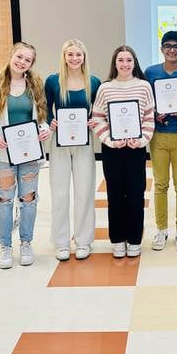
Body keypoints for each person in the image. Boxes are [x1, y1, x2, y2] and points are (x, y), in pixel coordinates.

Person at [0, 42, 51, 269]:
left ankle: (26, 243)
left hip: (30, 153)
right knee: (4, 198)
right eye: (19, 56)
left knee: (28, 199)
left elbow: (42, 116)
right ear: (11, 54)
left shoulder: (35, 84)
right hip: (2, 153)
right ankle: (5, 246)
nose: (22, 62)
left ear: (31, 64)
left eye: (27, 60)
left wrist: (43, 130)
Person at [91, 46, 155, 258]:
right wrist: (110, 140)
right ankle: (118, 240)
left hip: (136, 149)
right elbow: (97, 117)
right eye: (121, 60)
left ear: (134, 63)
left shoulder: (144, 86)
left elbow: (148, 117)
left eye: (129, 60)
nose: (125, 64)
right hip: (113, 151)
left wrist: (141, 140)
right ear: (115, 63)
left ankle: (135, 239)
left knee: (136, 195)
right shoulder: (105, 88)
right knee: (115, 195)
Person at [45, 39, 101, 261]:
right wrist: (51, 121)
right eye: (70, 55)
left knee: (85, 191)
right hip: (59, 143)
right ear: (64, 56)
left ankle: (83, 240)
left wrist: (93, 122)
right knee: (59, 192)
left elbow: (98, 111)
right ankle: (60, 242)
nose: (74, 59)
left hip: (84, 143)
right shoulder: (53, 81)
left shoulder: (93, 82)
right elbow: (45, 108)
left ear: (84, 57)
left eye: (78, 54)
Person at [144, 31, 177, 252]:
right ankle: (161, 229)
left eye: (176, 46)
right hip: (158, 134)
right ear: (162, 48)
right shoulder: (151, 72)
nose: (172, 49)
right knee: (160, 184)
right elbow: (145, 100)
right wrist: (154, 112)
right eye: (168, 45)